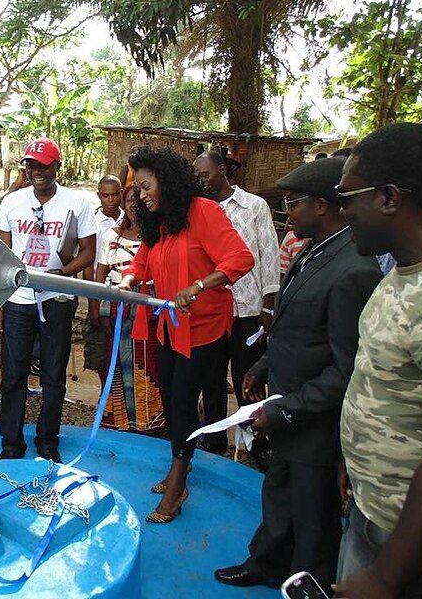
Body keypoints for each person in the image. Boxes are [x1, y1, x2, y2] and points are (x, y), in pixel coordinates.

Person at [214, 157, 382, 591]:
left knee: (313, 515)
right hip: (287, 400)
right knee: (280, 490)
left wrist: (287, 410)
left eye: (293, 202)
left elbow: (346, 368)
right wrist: (261, 367)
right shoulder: (312, 250)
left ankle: (307, 583)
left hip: (314, 420)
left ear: (324, 206)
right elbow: (294, 327)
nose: (287, 211)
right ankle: (267, 563)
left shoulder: (354, 270)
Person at [334, 123, 422, 598]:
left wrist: (386, 578)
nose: (342, 213)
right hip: (371, 506)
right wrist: (355, 459)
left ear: (388, 198)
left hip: (412, 545)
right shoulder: (403, 271)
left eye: (347, 199)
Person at [117, 146, 254, 523]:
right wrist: (129, 279)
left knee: (180, 400)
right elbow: (142, 260)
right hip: (167, 327)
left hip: (203, 328)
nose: (142, 197)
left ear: (168, 181)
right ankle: (183, 459)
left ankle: (178, 480)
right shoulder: (161, 221)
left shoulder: (204, 212)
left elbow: (240, 258)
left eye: (146, 187)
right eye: (138, 190)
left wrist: (197, 286)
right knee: (169, 396)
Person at [0, 138, 97, 463]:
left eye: (43, 165)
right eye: (31, 165)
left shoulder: (77, 203)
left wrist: (59, 273)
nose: (36, 171)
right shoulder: (12, 203)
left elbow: (89, 253)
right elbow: (1, 256)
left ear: (57, 166)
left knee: (53, 374)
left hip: (58, 298)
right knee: (14, 374)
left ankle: (48, 441)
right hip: (18, 299)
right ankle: (11, 444)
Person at [193, 151, 280, 454]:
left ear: (221, 170)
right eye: (197, 176)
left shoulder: (254, 207)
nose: (200, 180)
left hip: (248, 310)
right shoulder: (196, 210)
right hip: (211, 312)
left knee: (248, 380)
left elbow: (269, 257)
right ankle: (214, 439)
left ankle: (255, 440)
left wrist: (268, 307)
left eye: (205, 174)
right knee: (211, 379)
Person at [90, 186, 163, 432]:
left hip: (148, 306)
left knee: (148, 362)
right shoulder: (112, 235)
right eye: (130, 200)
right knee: (117, 362)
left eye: (138, 200)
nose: (134, 205)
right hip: (115, 306)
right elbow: (100, 274)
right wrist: (97, 310)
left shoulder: (157, 236)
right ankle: (119, 420)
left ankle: (148, 421)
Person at [83, 175, 123, 283]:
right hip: (100, 284)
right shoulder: (91, 223)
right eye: (105, 195)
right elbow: (87, 264)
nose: (111, 200)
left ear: (121, 193)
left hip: (125, 283)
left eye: (115, 195)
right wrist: (92, 298)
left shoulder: (129, 220)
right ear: (98, 196)